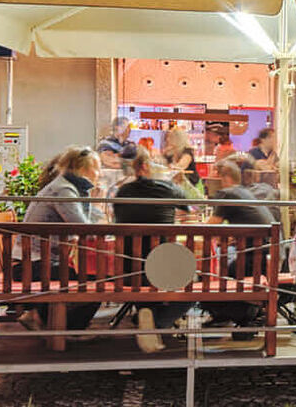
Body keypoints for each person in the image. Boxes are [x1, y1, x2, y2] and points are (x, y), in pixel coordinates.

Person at [114, 158, 192, 352]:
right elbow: (189, 208)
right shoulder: (169, 188)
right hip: (163, 269)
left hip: (126, 272)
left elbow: (116, 217)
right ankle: (156, 321)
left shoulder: (122, 191)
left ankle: (145, 312)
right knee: (194, 283)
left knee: (141, 272)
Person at [24, 147, 105, 332]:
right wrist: (96, 203)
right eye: (97, 168)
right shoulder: (64, 190)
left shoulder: (66, 187)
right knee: (97, 280)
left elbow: (86, 227)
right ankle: (68, 328)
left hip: (37, 261)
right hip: (35, 266)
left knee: (93, 275)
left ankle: (43, 316)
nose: (100, 174)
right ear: (81, 169)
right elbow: (85, 230)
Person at [202, 159, 274, 346]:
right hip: (268, 257)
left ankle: (234, 313)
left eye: (214, 174)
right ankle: (236, 314)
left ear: (224, 177)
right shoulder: (244, 192)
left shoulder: (227, 193)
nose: (209, 179)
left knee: (212, 271)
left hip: (253, 261)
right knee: (224, 258)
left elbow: (208, 229)